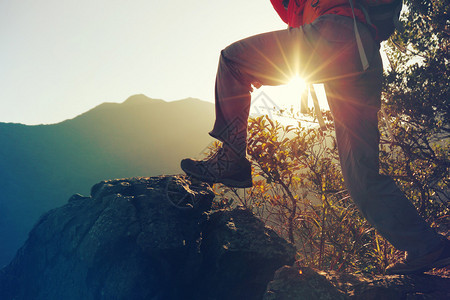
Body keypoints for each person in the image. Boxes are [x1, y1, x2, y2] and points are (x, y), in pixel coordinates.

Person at [181, 0, 449, 275]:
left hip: (336, 36)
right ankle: (427, 246)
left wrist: (256, 65)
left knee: (233, 61)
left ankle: (231, 159)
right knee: (360, 175)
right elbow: (295, 18)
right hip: (360, 55)